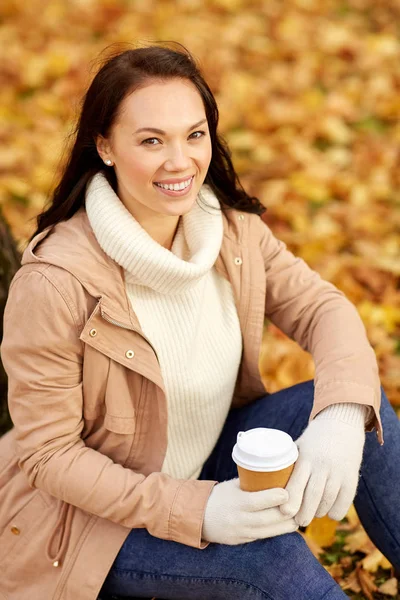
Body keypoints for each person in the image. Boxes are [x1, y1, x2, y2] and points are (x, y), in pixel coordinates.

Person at [0, 43, 399, 600]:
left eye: (194, 135)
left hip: (210, 458)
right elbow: (50, 457)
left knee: (362, 406)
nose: (180, 162)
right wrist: (202, 511)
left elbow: (322, 309)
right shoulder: (55, 283)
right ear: (105, 147)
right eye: (151, 141)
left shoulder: (229, 230)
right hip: (95, 524)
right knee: (271, 556)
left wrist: (338, 419)